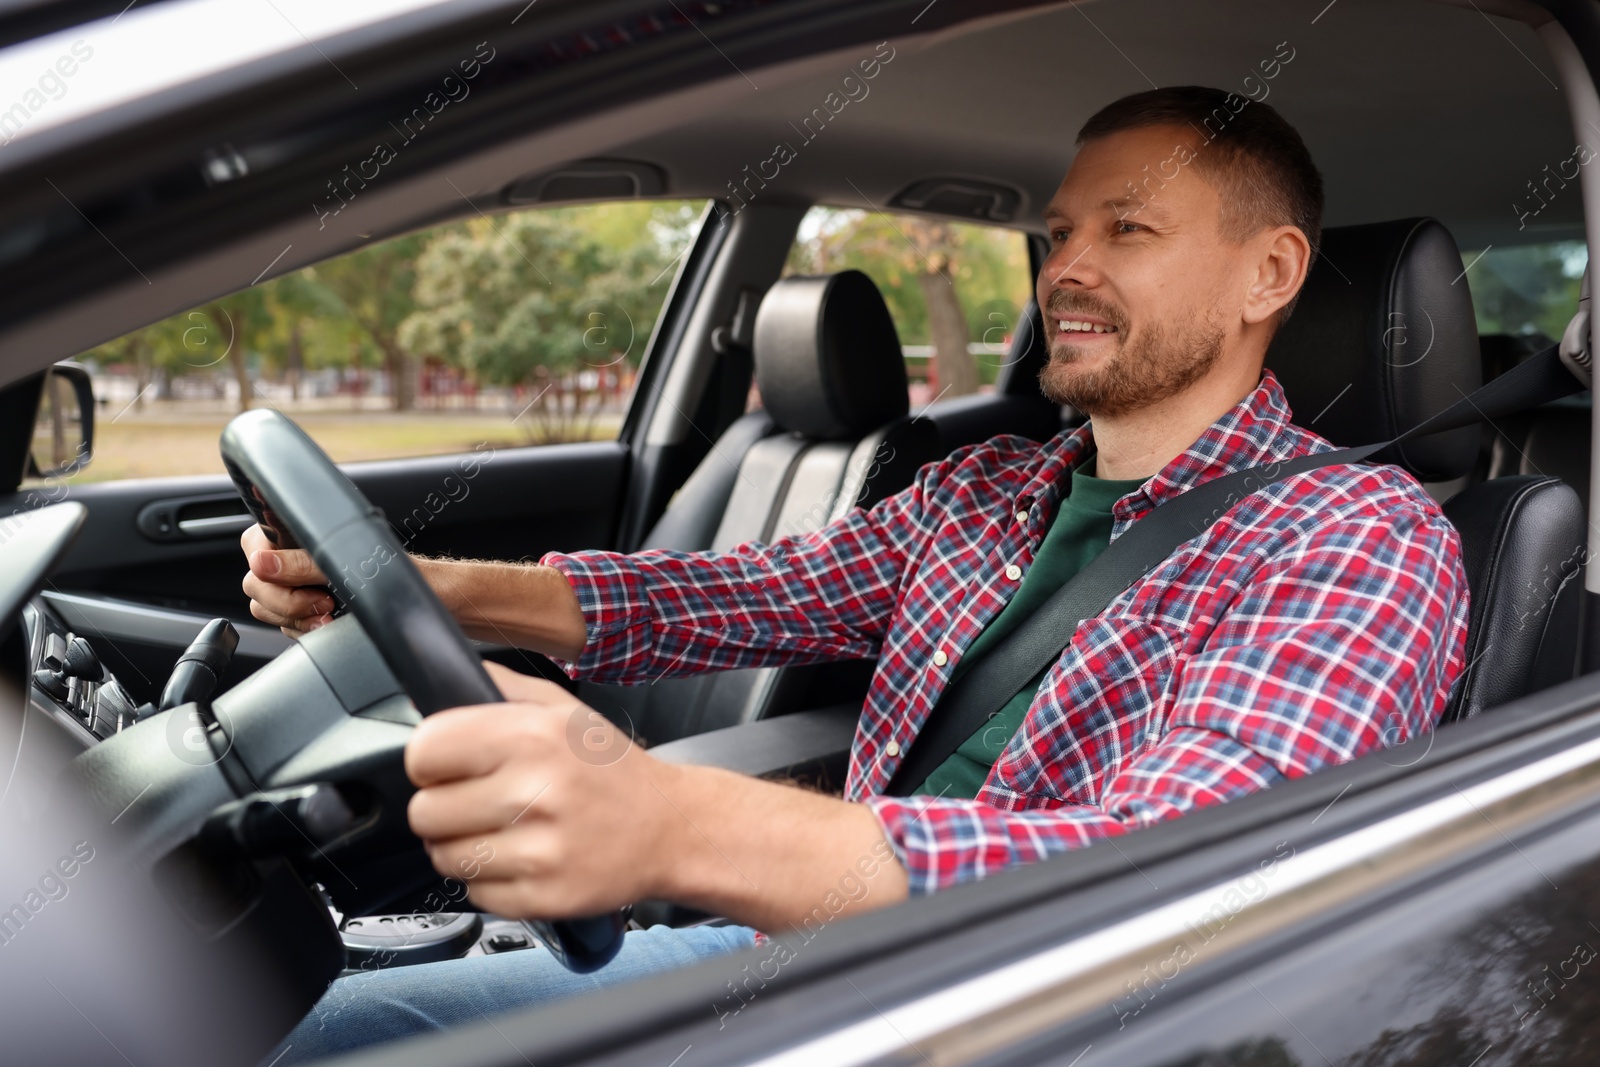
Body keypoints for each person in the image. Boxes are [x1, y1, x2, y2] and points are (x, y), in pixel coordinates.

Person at [247, 86, 1468, 1061]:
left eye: (1127, 230)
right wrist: (422, 585)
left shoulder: (1358, 536)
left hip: (1024, 1016)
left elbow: (1173, 881)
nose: (1066, 270)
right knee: (296, 1033)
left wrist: (672, 821)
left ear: (1269, 274)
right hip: (819, 954)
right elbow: (722, 598)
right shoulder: (981, 486)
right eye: (1059, 234)